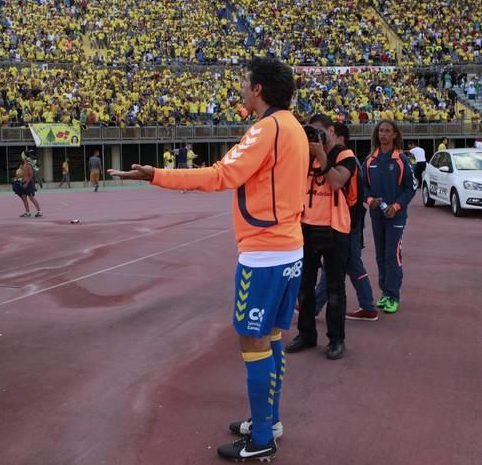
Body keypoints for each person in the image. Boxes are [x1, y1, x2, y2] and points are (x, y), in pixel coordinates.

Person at [109, 57, 308, 463]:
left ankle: (263, 437)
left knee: (252, 338)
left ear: (258, 90)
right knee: (269, 336)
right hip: (289, 247)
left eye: (244, 80)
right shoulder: (294, 128)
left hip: (264, 252)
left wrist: (156, 176)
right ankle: (268, 421)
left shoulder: (266, 129)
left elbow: (221, 175)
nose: (240, 86)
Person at [286, 114, 357, 361]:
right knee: (303, 286)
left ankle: (336, 339)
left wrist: (321, 154)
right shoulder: (304, 157)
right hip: (305, 227)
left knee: (335, 287)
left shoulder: (344, 155)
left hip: (335, 229)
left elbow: (337, 182)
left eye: (318, 132)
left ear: (330, 130)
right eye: (310, 132)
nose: (314, 137)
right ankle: (306, 334)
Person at [314, 123, 376, 322]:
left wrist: (348, 221)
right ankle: (366, 305)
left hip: (348, 221)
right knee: (345, 264)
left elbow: (351, 194)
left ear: (338, 138)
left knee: (347, 263)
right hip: (348, 220)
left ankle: (366, 305)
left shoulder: (347, 159)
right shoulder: (349, 160)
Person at [364, 121, 415, 314]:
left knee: (392, 256)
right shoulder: (370, 160)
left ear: (394, 135)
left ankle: (393, 295)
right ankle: (385, 293)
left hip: (396, 216)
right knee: (380, 256)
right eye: (381, 131)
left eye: (387, 131)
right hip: (377, 216)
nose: (383, 134)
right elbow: (362, 188)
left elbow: (411, 188)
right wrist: (370, 200)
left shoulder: (401, 160)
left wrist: (396, 206)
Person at [16, 152, 42, 217]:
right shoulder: (23, 165)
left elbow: (31, 175)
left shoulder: (28, 165)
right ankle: (27, 212)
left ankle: (39, 211)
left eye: (22, 156)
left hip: (28, 183)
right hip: (23, 183)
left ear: (24, 157)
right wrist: (17, 178)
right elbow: (23, 175)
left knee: (31, 198)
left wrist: (27, 183)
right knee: (24, 198)